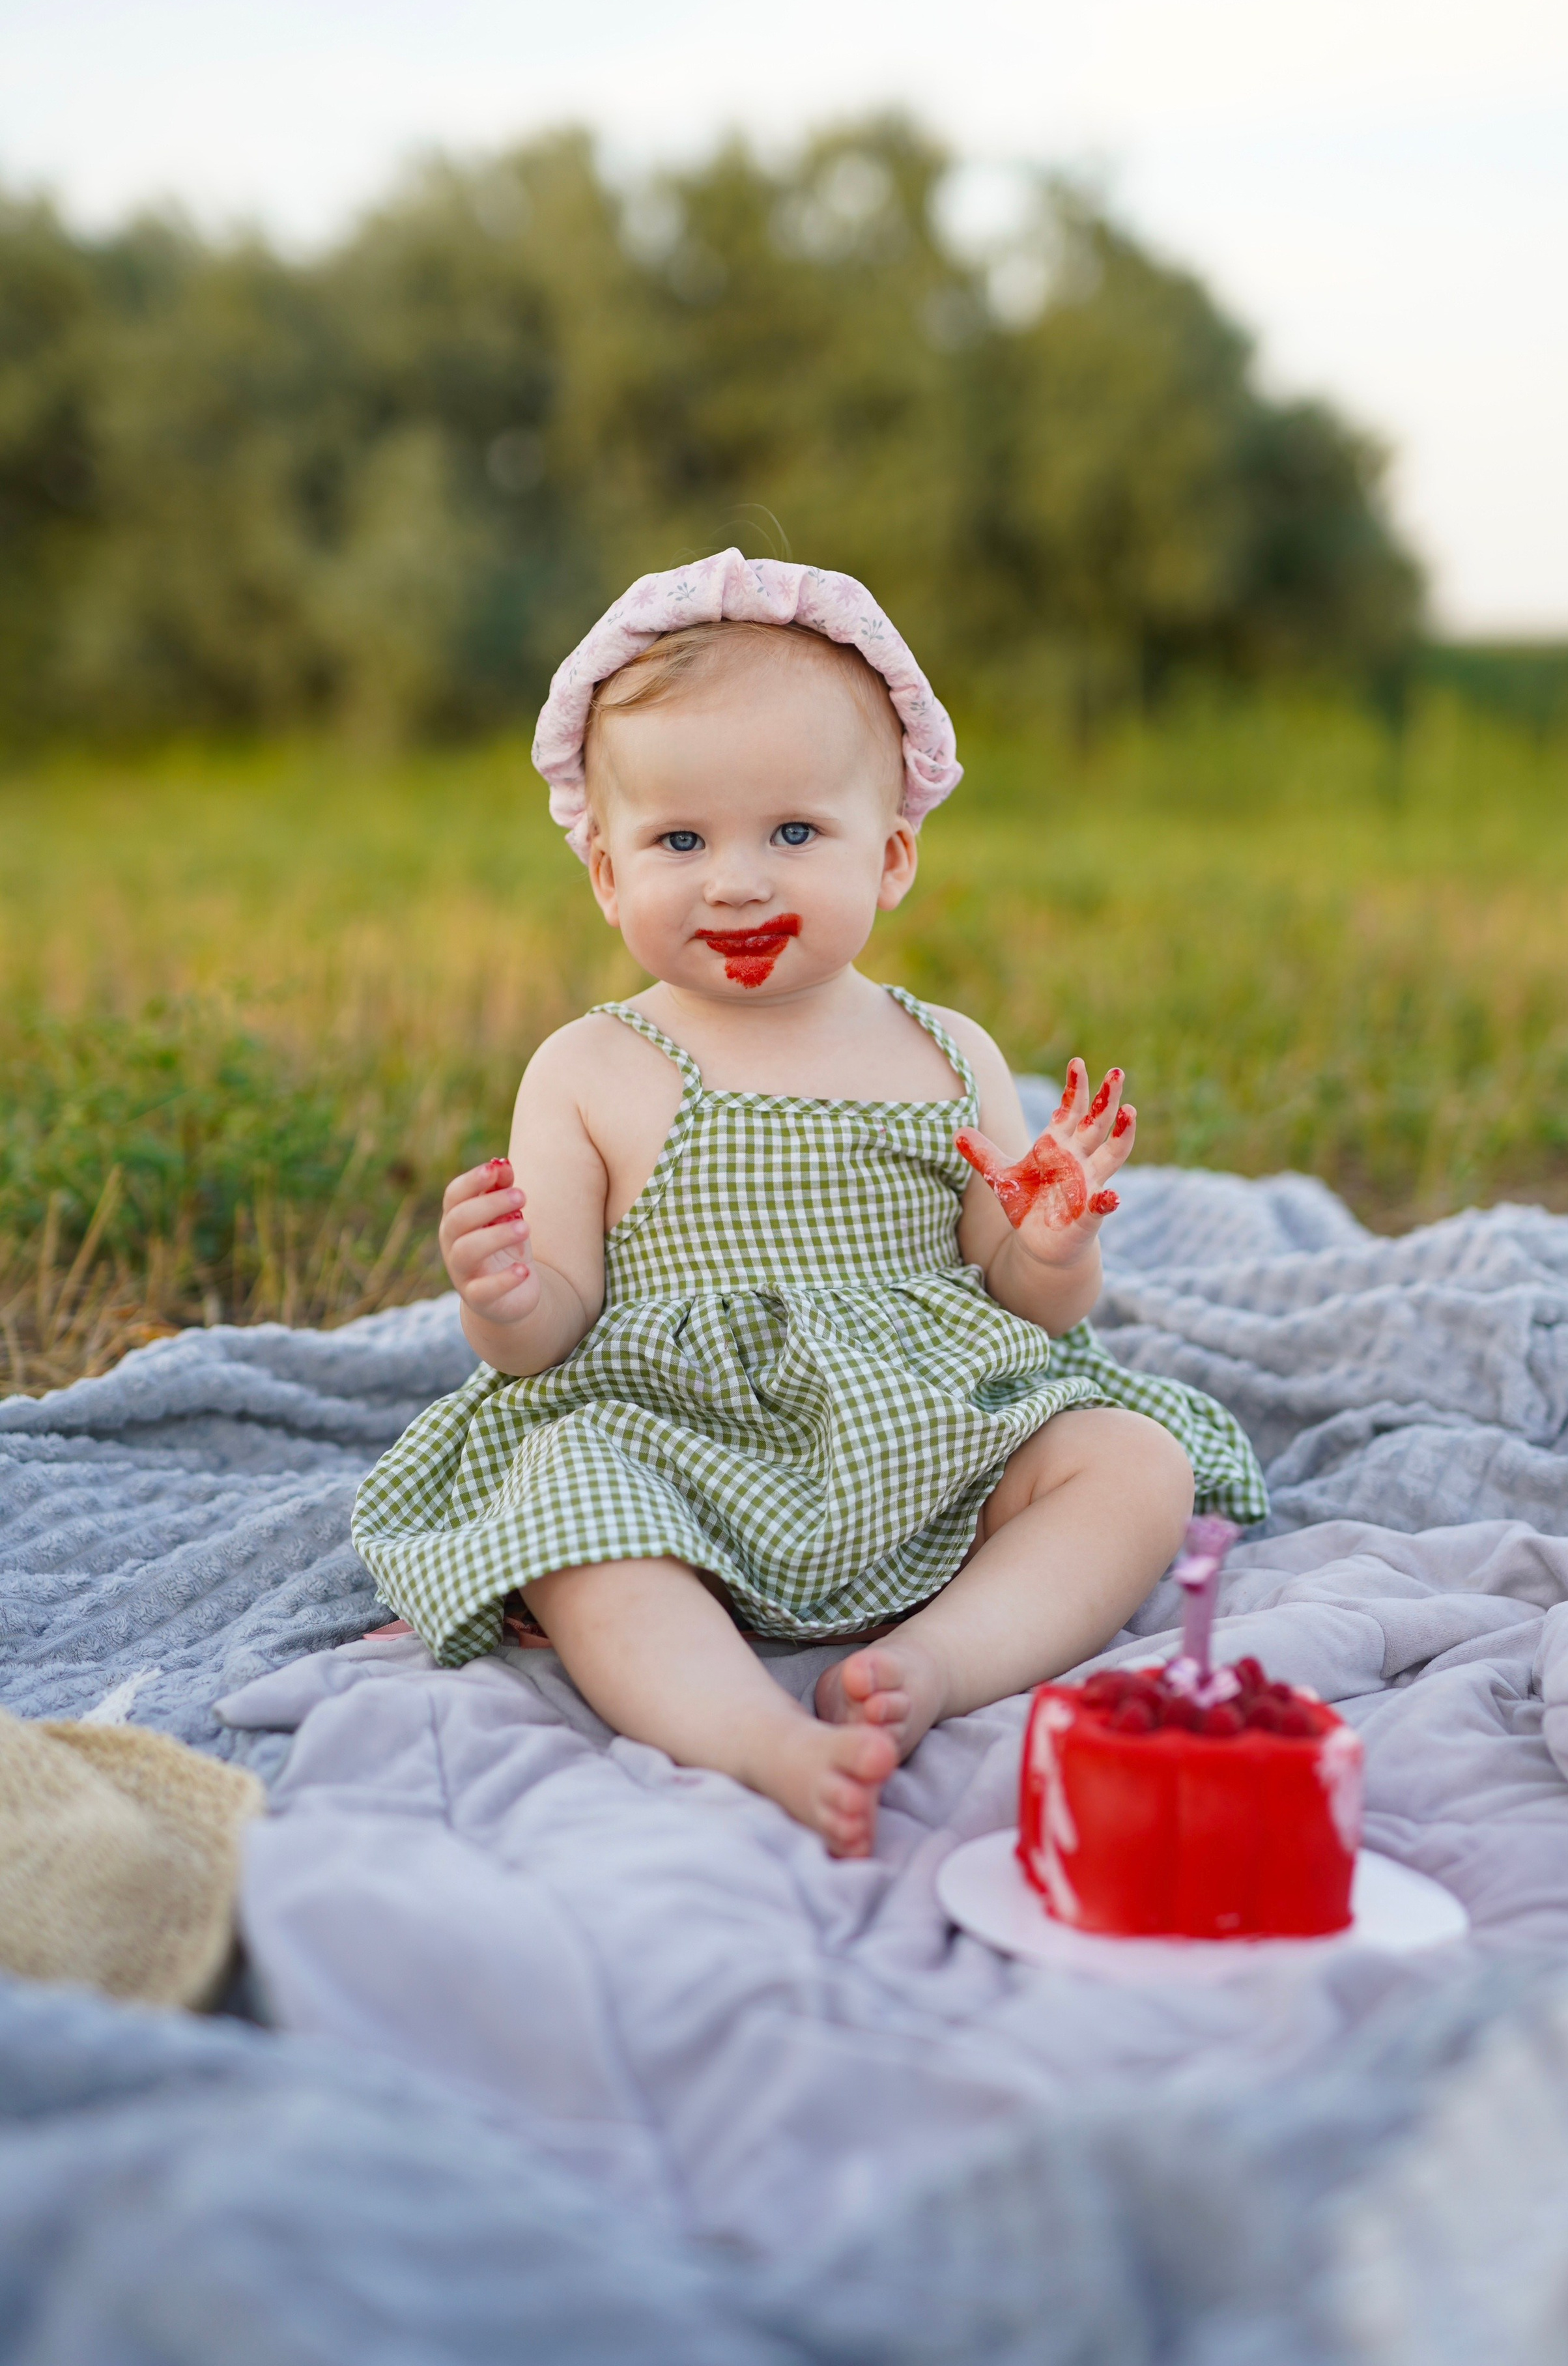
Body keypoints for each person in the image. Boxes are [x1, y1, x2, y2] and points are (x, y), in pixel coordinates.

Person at [353, 552, 1266, 1856]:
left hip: (926, 1448)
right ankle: (754, 1736)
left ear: (889, 857)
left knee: (1131, 1461)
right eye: (679, 841)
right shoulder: (590, 1067)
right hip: (686, 1451)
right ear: (605, 872)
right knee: (570, 1499)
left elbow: (1028, 1304)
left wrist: (1051, 1241)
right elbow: (548, 1334)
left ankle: (933, 1663)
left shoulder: (943, 1049)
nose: (736, 882)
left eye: (793, 833)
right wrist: (501, 1295)